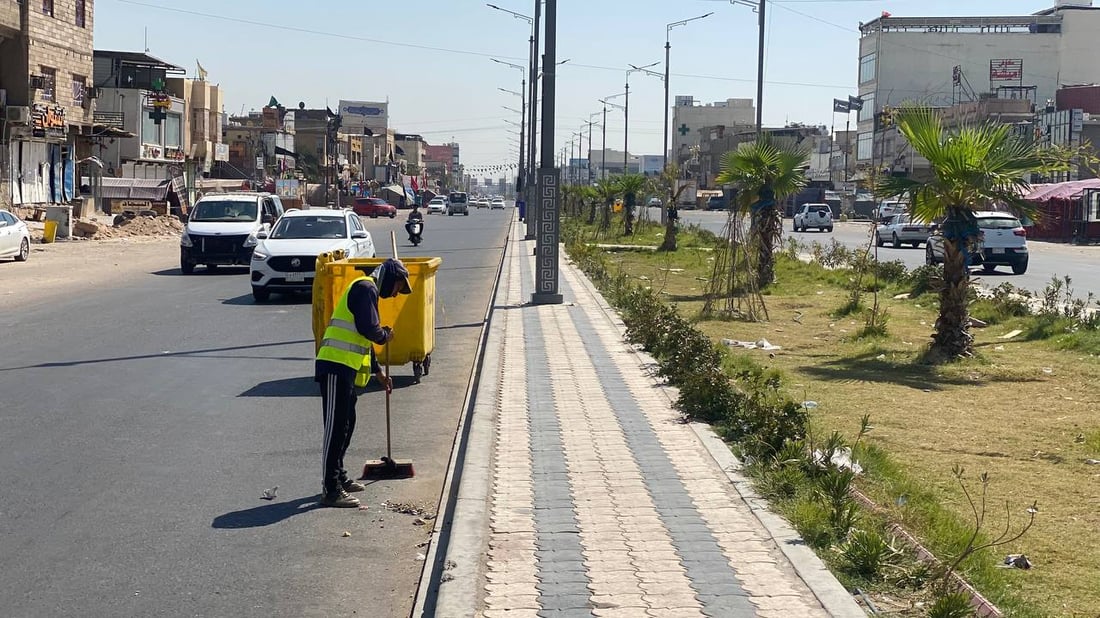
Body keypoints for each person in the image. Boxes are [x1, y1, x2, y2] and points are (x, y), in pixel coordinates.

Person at [315, 258, 412, 507]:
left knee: (347, 424)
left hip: (346, 370)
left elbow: (363, 339)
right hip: (335, 366)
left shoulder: (369, 292)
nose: (395, 294)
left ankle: (340, 477)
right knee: (335, 429)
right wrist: (385, 334)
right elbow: (370, 331)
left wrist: (378, 372)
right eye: (397, 287)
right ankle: (331, 489)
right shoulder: (364, 288)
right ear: (390, 278)